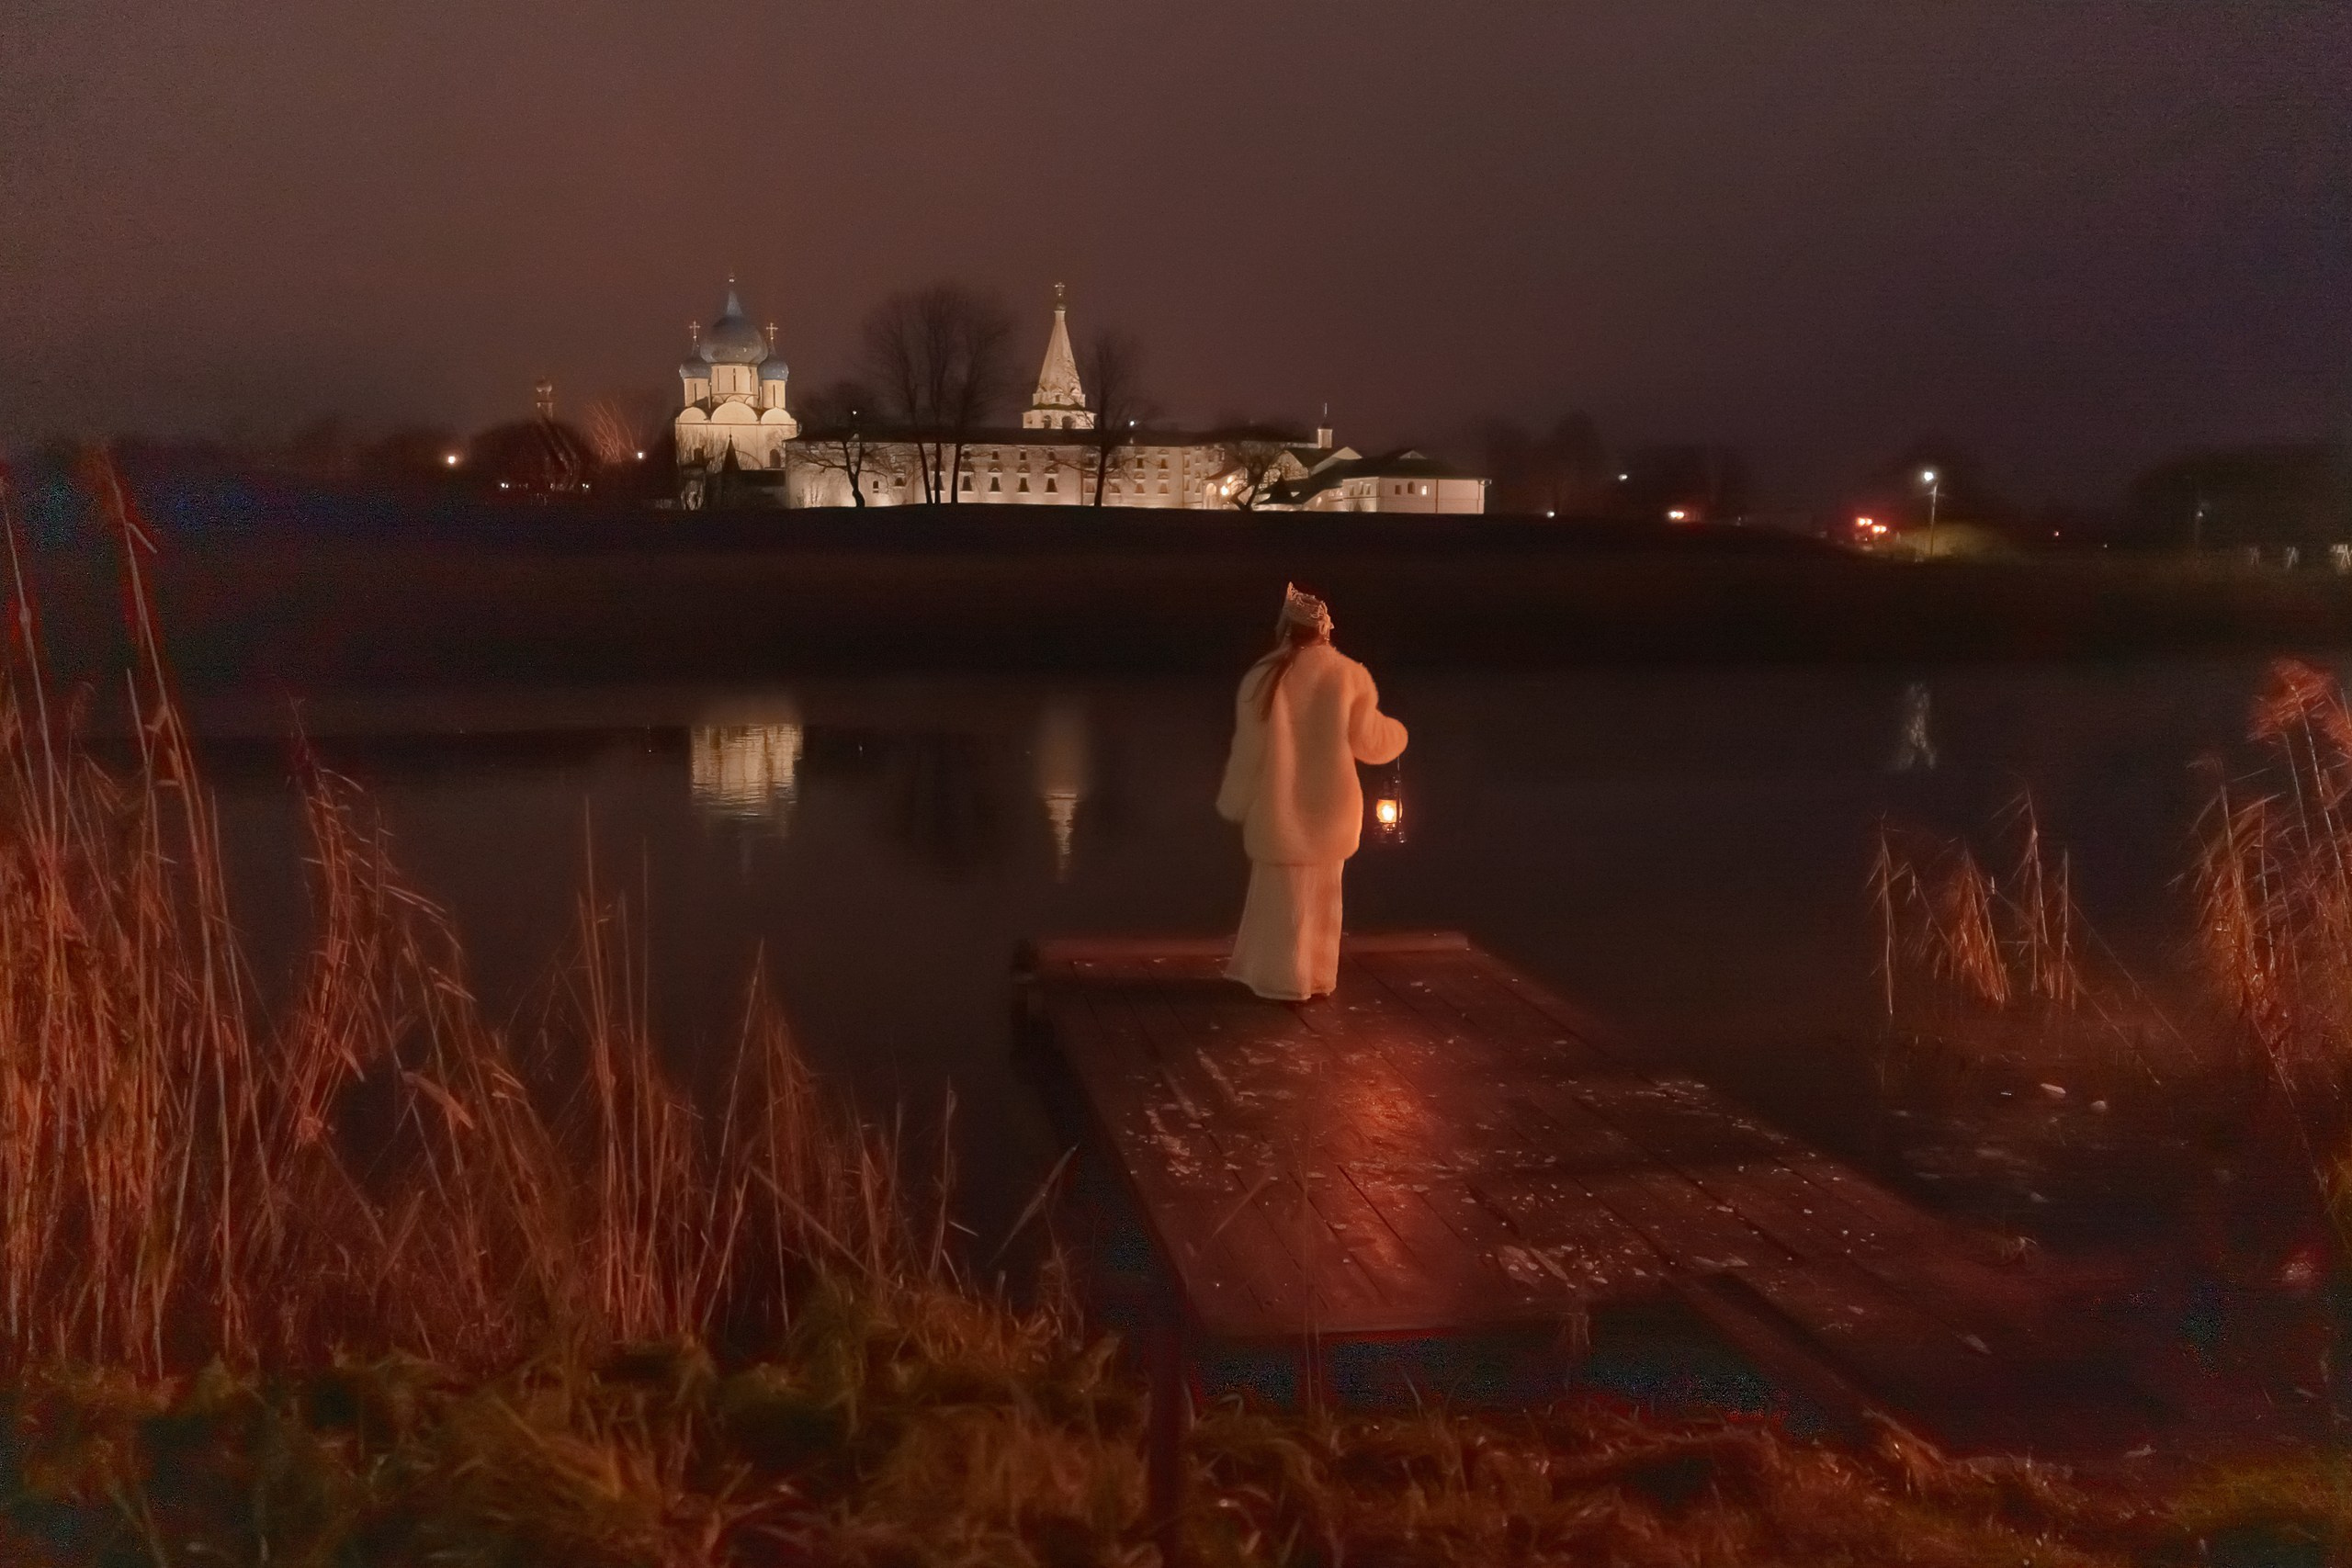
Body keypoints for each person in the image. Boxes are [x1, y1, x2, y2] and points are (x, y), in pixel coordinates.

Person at [1216, 584, 1408, 1000]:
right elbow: (1371, 742)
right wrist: (1400, 734)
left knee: (1279, 903)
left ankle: (1276, 979)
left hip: (1277, 812)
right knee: (1323, 901)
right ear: (1324, 630)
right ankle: (1317, 976)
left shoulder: (1264, 676)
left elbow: (1248, 752)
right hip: (1332, 810)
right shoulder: (1348, 675)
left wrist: (1235, 800)